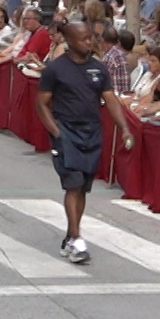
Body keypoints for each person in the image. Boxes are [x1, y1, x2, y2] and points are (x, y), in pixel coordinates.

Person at [34, 21, 134, 265]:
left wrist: (124, 128)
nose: (89, 42)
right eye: (83, 38)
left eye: (91, 38)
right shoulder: (55, 69)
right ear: (70, 41)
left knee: (82, 188)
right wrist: (57, 132)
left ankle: (70, 236)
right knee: (73, 184)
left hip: (92, 133)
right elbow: (41, 103)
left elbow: (110, 99)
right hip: (66, 132)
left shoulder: (99, 69)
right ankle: (78, 239)